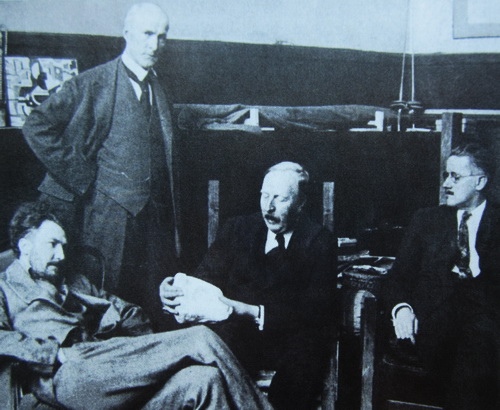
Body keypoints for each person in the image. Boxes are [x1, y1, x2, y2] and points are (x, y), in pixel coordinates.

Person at [0, 201, 272, 410]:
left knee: (203, 380)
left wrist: (143, 357)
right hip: (67, 376)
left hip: (111, 367)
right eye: (52, 245)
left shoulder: (76, 282)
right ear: (25, 245)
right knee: (199, 338)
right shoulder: (5, 287)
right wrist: (54, 354)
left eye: (63, 246)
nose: (61, 255)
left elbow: (130, 312)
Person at [22, 2, 179, 329]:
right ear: (127, 34)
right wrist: (83, 178)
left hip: (151, 221)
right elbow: (36, 125)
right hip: (105, 217)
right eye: (147, 34)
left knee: (149, 307)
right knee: (105, 303)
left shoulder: (160, 87)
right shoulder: (93, 83)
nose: (155, 45)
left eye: (162, 36)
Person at [160, 161, 338, 410]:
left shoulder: (320, 241)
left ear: (301, 203)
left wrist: (249, 311)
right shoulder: (237, 229)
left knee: (307, 351)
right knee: (201, 353)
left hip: (287, 340)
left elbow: (314, 311)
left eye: (280, 199)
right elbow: (205, 277)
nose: (269, 207)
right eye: (265, 196)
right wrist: (176, 289)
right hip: (236, 336)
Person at [384, 142, 500, 409]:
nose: (446, 184)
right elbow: (398, 277)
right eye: (446, 175)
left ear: (480, 181)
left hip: (486, 325)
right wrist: (402, 309)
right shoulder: (426, 220)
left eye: (455, 177)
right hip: (435, 322)